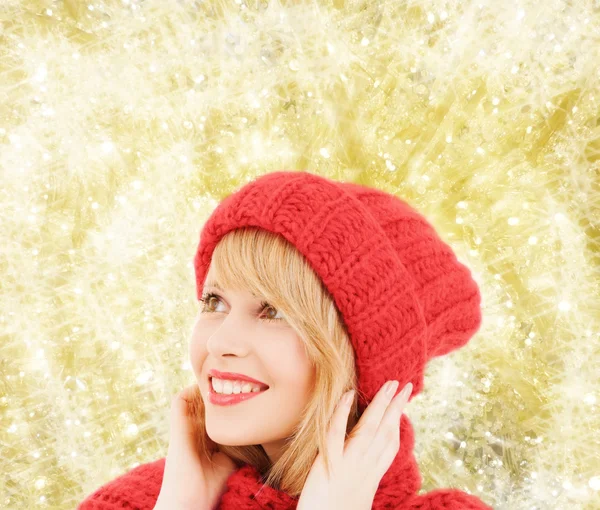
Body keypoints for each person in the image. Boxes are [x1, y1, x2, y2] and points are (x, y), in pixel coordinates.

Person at [78, 170, 494, 509]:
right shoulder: (139, 500)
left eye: (273, 311)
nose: (221, 341)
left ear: (361, 359)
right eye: (215, 301)